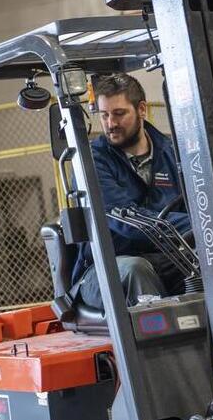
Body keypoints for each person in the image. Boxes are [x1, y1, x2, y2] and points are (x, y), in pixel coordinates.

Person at [72, 73, 191, 310]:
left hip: (163, 257)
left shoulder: (172, 153)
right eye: (104, 115)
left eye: (118, 113)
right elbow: (128, 221)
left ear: (142, 109)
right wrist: (199, 224)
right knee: (136, 269)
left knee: (211, 261)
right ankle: (161, 345)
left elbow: (198, 204)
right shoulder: (92, 161)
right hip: (105, 266)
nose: (110, 124)